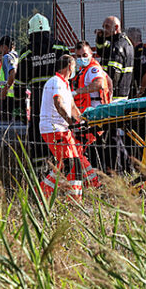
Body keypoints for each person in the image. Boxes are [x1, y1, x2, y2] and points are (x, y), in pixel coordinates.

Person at [39, 55, 99, 202]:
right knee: (71, 164)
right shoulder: (56, 82)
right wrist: (72, 123)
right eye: (74, 66)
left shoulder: (65, 83)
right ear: (69, 66)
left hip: (62, 128)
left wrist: (83, 122)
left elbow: (72, 107)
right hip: (54, 128)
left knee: (70, 162)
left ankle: (47, 194)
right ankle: (69, 198)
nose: (75, 69)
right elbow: (58, 103)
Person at [16, 13, 71, 166]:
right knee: (62, 132)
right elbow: (70, 72)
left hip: (38, 103)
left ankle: (41, 173)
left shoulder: (27, 53)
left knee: (38, 137)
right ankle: (64, 168)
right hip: (60, 99)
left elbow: (19, 83)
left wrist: (19, 106)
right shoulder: (60, 47)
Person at [72, 40, 112, 171]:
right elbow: (109, 81)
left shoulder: (92, 69)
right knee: (95, 148)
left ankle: (97, 175)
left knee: (95, 148)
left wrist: (77, 92)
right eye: (78, 56)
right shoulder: (84, 70)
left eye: (84, 55)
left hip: (95, 115)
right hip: (89, 114)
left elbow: (100, 83)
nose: (81, 59)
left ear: (91, 54)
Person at [95, 16, 134, 101]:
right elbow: (101, 52)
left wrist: (105, 88)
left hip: (114, 96)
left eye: (107, 27)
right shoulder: (122, 41)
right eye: (103, 27)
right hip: (121, 94)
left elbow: (114, 73)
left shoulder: (117, 47)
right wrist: (100, 39)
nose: (104, 30)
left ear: (116, 27)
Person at [0, 35, 23, 122]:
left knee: (4, 122)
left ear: (4, 47)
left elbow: (13, 73)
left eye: (0, 48)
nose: (0, 51)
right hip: (17, 93)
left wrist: (5, 89)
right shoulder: (17, 56)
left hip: (7, 96)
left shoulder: (7, 57)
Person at [127, 27, 146, 98]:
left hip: (144, 96)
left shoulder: (141, 53)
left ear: (130, 39)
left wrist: (141, 91)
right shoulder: (135, 52)